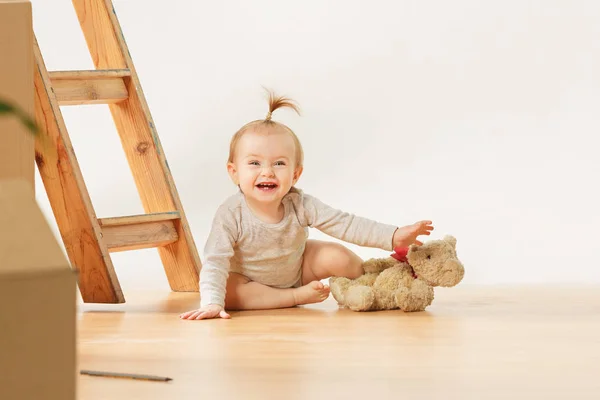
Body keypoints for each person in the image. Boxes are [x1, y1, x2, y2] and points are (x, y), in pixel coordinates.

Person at [180, 91, 433, 320]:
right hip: (250, 282)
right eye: (254, 163)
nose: (267, 172)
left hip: (297, 269)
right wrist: (212, 303)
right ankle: (294, 297)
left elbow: (344, 223)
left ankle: (377, 282)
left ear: (295, 174)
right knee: (228, 292)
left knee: (336, 254)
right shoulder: (231, 213)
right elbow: (215, 260)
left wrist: (394, 235)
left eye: (279, 163)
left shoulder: (300, 204)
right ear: (234, 172)